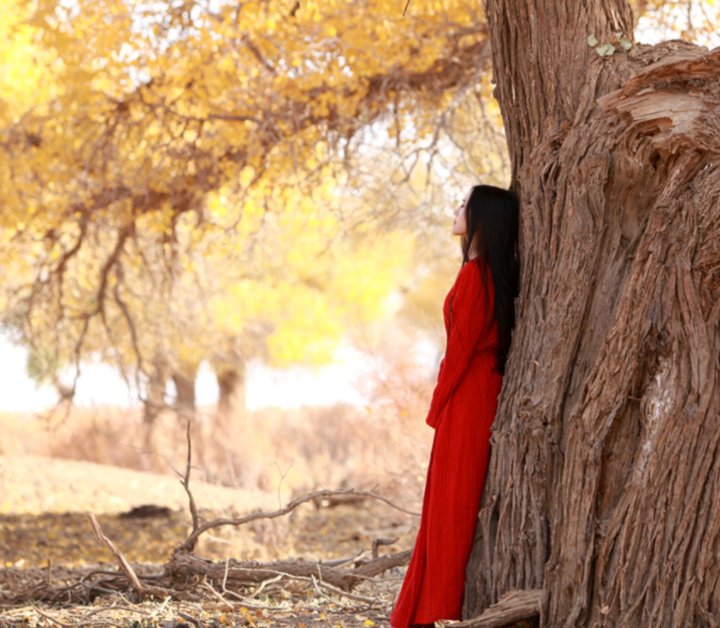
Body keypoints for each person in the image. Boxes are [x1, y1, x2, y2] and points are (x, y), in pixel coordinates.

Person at [390, 185, 520, 627]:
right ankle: (432, 605)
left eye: (464, 205)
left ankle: (434, 609)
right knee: (453, 501)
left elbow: (460, 351)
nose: (455, 209)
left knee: (450, 504)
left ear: (482, 218)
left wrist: (437, 406)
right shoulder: (489, 273)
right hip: (481, 389)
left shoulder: (474, 275)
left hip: (468, 393)